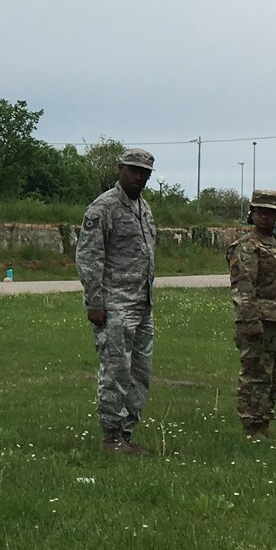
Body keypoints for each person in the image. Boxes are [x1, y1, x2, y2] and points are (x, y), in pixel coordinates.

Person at [75, 148, 158, 452]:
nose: (139, 177)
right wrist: (95, 302)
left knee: (139, 372)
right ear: (121, 169)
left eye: (144, 173)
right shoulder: (103, 208)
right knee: (115, 370)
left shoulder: (143, 207)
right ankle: (110, 435)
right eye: (133, 170)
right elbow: (89, 256)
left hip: (141, 303)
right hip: (114, 305)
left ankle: (126, 433)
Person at [229, 189, 276, 439]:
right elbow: (243, 286)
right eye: (260, 212)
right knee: (255, 374)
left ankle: (265, 420)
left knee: (275, 374)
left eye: (271, 213)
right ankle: (251, 424)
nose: (265, 218)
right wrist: (250, 321)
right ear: (252, 214)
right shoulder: (246, 247)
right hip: (258, 321)